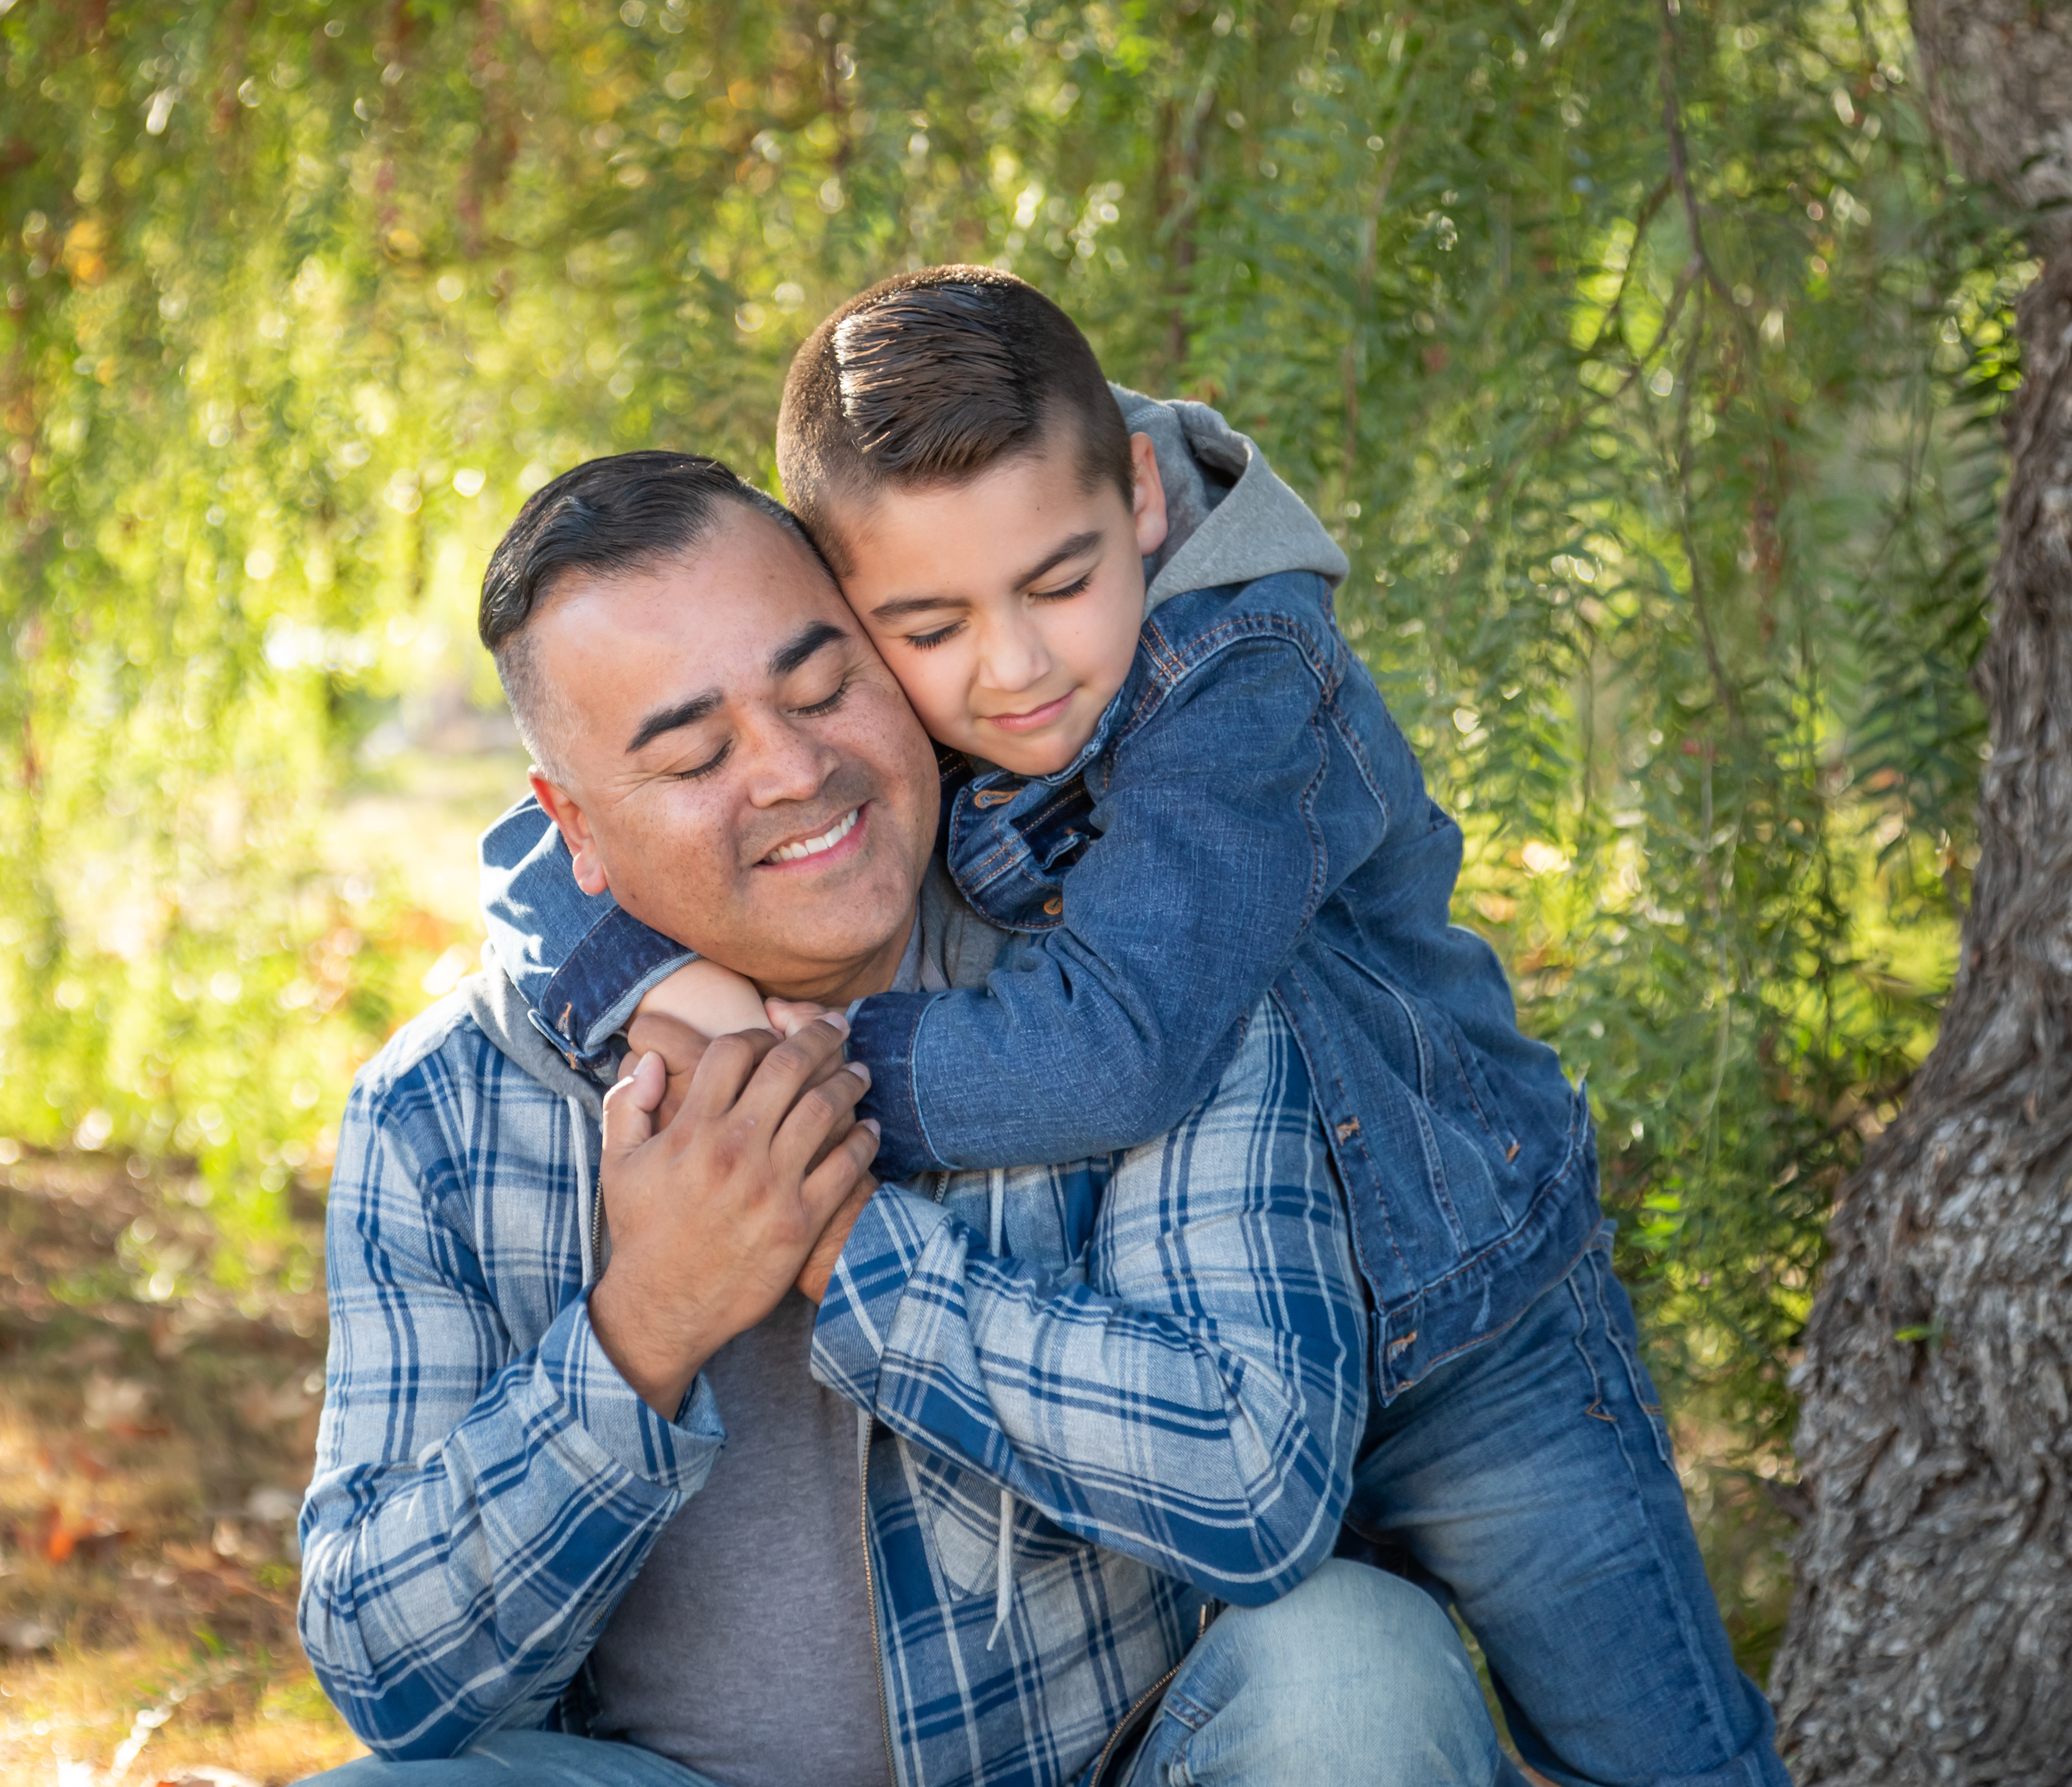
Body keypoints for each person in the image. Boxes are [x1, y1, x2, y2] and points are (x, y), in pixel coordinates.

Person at [478, 268, 1788, 1787]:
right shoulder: (869, 702)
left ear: (1148, 500)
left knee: (1659, 1752)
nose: (1013, 666)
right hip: (1230, 1332)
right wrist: (663, 986)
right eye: (926, 625)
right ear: (839, 603)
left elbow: (1117, 1045)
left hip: (1472, 1327)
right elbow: (531, 853)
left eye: (1056, 583)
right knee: (1346, 1702)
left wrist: (799, 1083)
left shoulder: (1241, 682)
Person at [295, 454, 1506, 1787]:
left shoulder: (1125, 986)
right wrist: (649, 1320)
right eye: (696, 754)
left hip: (1115, 1766)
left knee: (1356, 1668)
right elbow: (389, 1680)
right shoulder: (446, 1111)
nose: (796, 769)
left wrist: (855, 1252)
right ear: (572, 832)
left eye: (824, 688)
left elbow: (1257, 1482)